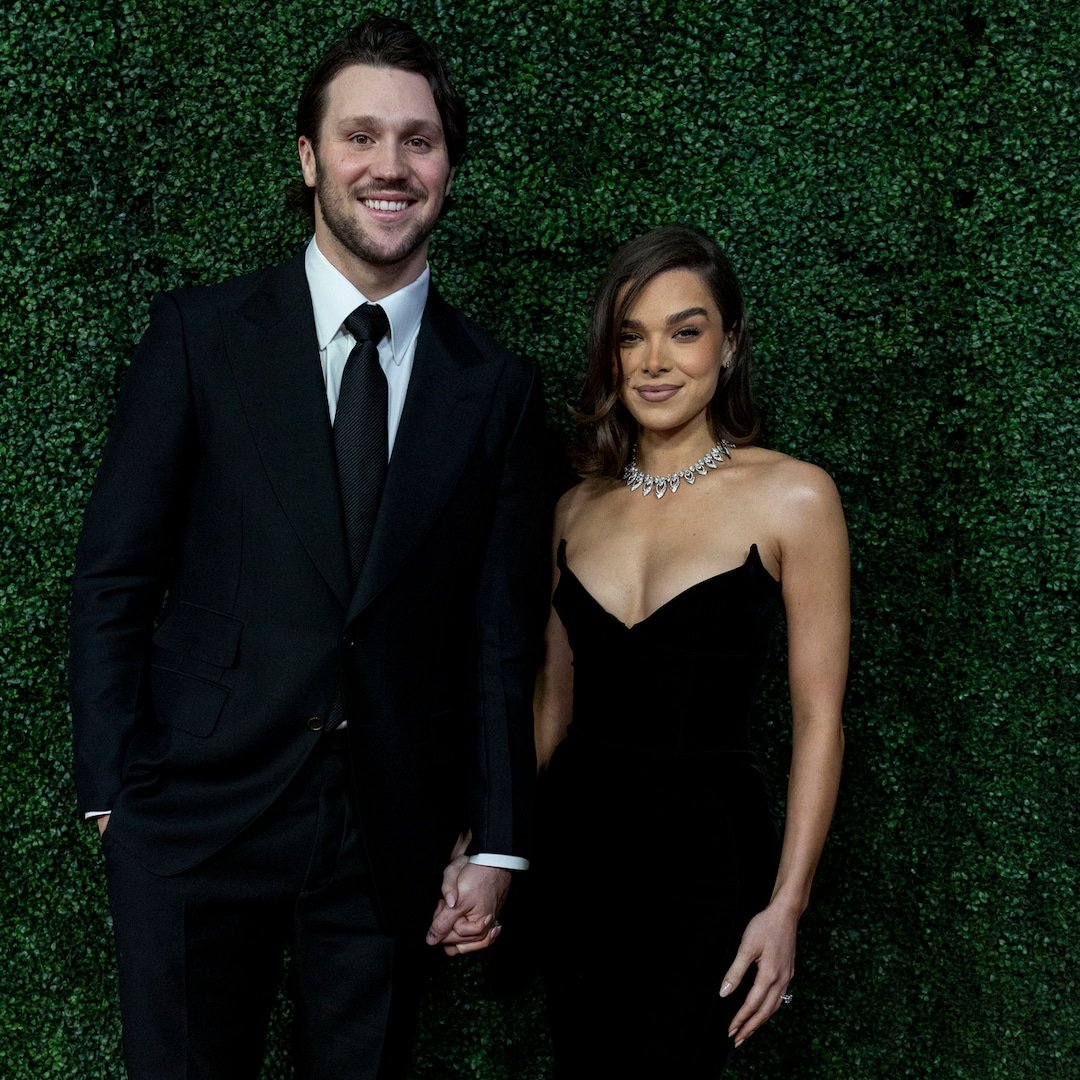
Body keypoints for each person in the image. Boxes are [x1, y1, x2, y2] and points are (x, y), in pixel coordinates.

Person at [68, 16, 547, 1079]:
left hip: (389, 834)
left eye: (419, 140)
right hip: (194, 813)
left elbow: (500, 636)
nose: (390, 165)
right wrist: (114, 795)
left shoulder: (497, 388)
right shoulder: (200, 337)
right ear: (309, 158)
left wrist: (497, 839)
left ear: (449, 167)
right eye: (360, 136)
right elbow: (115, 576)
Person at [532, 225, 849, 1077]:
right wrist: (497, 847)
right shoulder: (574, 510)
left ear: (729, 344)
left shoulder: (794, 496)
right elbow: (551, 705)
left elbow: (820, 719)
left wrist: (786, 907)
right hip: (576, 852)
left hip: (710, 857)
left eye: (685, 331)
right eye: (630, 336)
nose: (654, 361)